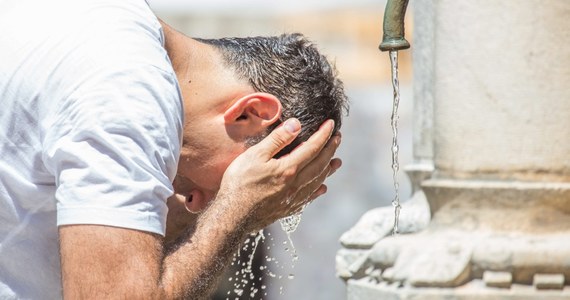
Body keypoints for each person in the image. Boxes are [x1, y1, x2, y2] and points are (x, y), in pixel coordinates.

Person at [0, 0, 348, 299]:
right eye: (223, 188)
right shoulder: (131, 93)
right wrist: (235, 213)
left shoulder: (110, 29)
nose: (196, 204)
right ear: (250, 113)